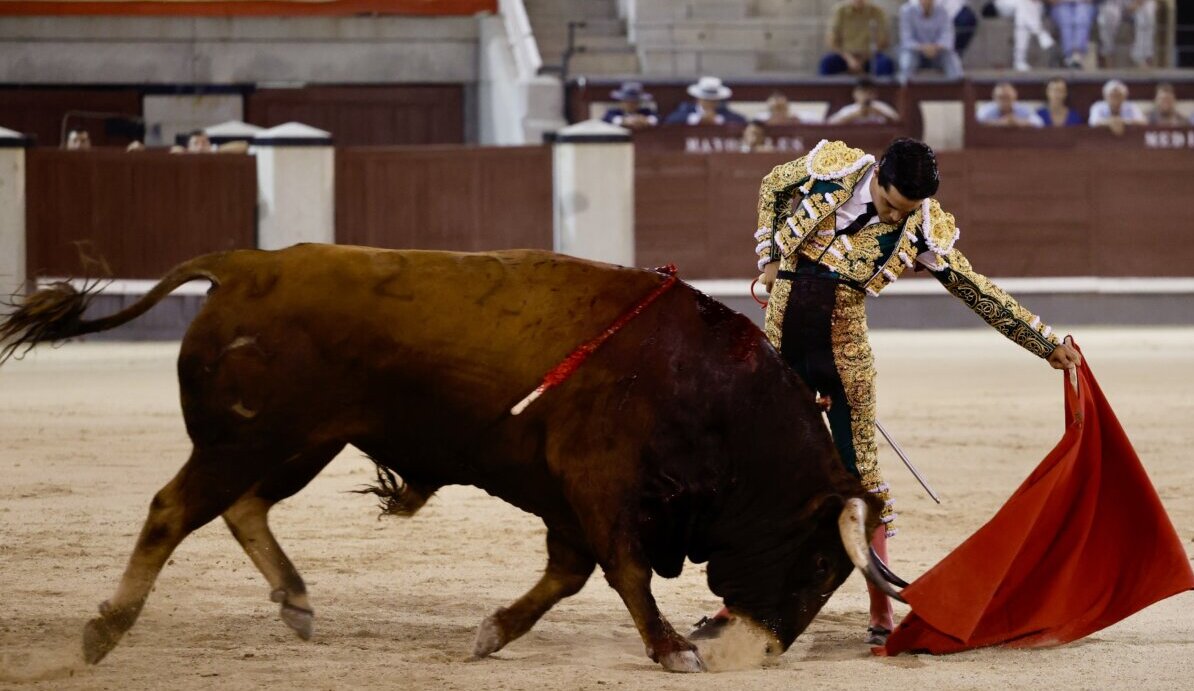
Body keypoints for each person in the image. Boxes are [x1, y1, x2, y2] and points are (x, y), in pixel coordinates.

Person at [689, 137, 1082, 647]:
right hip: (781, 354)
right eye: (891, 204)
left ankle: (881, 608)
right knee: (766, 475)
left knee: (862, 481)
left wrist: (1043, 342)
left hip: (844, 359)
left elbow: (974, 288)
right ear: (877, 177)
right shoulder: (834, 169)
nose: (896, 217)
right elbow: (773, 186)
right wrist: (769, 256)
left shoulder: (921, 227)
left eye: (907, 210)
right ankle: (738, 604)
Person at [820, 0, 896, 76]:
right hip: (845, 56)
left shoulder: (878, 12)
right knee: (827, 62)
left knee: (885, 63)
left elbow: (883, 41)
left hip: (870, 56)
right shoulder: (840, 11)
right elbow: (832, 41)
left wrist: (863, 59)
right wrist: (849, 59)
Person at [898, 0, 964, 82]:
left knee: (952, 59)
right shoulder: (906, 11)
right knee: (907, 61)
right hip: (915, 51)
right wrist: (923, 48)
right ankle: (904, 85)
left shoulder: (943, 11)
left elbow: (947, 37)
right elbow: (906, 39)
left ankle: (957, 84)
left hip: (938, 51)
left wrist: (935, 47)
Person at [991, 0, 1055, 71]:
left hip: (1031, 7)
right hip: (1005, 5)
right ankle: (1039, 32)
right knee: (1023, 5)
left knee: (1023, 13)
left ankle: (1020, 61)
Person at [663, 76, 747, 125]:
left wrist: (717, 119)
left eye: (713, 100)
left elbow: (741, 120)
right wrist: (697, 119)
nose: (709, 103)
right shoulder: (687, 109)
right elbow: (670, 120)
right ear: (698, 99)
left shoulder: (724, 112)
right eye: (706, 99)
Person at [1097, 0, 1157, 68]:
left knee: (1148, 12)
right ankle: (1108, 56)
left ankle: (1140, 56)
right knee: (1108, 14)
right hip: (1114, 3)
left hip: (1140, 3)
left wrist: (1137, 3)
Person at [827, 78, 902, 125]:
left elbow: (898, 122)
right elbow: (830, 124)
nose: (866, 96)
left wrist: (880, 113)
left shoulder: (881, 107)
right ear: (855, 94)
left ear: (875, 94)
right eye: (862, 93)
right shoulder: (849, 109)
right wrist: (854, 115)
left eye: (870, 93)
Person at [977, 81, 1045, 127]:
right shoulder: (986, 109)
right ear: (994, 97)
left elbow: (1039, 123)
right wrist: (999, 123)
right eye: (1001, 97)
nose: (1004, 101)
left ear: (1015, 97)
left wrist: (1018, 122)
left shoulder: (1024, 108)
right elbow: (977, 123)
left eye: (1007, 97)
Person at [1050, 0, 1095, 68]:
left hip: (1084, 6)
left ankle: (1077, 55)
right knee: (1064, 16)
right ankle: (1068, 56)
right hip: (1060, 6)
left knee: (1082, 14)